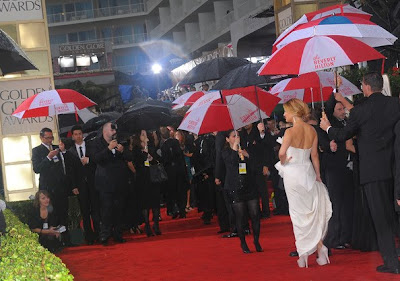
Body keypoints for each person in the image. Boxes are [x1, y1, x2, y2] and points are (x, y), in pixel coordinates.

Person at [320, 72, 400, 274]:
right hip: (394, 168)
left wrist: (327, 127)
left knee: (381, 219)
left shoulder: (360, 111)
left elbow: (343, 135)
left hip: (373, 173)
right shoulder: (394, 105)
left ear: (366, 87)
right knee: (392, 217)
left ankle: (392, 262)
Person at [276, 98, 332, 268]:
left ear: (293, 112)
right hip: (308, 173)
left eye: (286, 111)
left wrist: (284, 161)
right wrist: (318, 175)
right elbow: (314, 156)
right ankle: (320, 250)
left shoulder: (289, 132)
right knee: (310, 213)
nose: (284, 114)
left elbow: (281, 154)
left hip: (293, 174)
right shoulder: (312, 131)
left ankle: (303, 255)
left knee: (298, 215)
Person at [32, 128, 75, 246]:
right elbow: (37, 169)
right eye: (47, 138)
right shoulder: (37, 150)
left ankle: (67, 240)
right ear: (41, 138)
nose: (50, 140)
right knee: (52, 214)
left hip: (61, 187)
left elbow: (68, 164)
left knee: (63, 213)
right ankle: (55, 241)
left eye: (52, 137)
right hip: (48, 189)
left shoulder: (58, 148)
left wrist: (63, 151)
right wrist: (48, 157)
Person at [221, 130, 262, 254]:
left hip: (249, 185)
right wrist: (234, 149)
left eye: (238, 135)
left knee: (255, 214)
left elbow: (255, 165)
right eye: (234, 136)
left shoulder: (245, 148)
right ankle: (243, 242)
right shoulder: (226, 152)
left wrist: (247, 155)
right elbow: (231, 163)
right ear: (228, 139)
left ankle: (256, 240)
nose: (237, 138)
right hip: (235, 187)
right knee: (240, 216)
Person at [91, 122, 130, 245]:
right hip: (105, 183)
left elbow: (129, 157)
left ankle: (118, 234)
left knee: (119, 210)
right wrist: (108, 149)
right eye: (112, 130)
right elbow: (96, 159)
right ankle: (105, 236)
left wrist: (122, 151)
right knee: (106, 210)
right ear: (105, 131)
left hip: (119, 182)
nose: (114, 132)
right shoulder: (96, 143)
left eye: (115, 130)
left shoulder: (121, 142)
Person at [69, 125, 100, 245]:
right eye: (75, 134)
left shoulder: (91, 147)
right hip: (80, 186)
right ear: (72, 136)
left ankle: (98, 233)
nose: (78, 136)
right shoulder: (71, 151)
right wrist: (74, 186)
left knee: (96, 210)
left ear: (83, 135)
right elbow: (70, 171)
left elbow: (97, 161)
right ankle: (89, 236)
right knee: (85, 211)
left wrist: (89, 159)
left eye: (80, 134)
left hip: (93, 182)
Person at [131, 130, 162, 237]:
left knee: (155, 202)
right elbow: (137, 162)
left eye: (145, 134)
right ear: (139, 137)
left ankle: (156, 225)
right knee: (145, 203)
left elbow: (158, 160)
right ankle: (147, 225)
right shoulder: (136, 150)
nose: (145, 136)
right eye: (143, 134)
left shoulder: (152, 146)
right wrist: (144, 151)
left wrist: (152, 158)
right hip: (142, 179)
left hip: (153, 178)